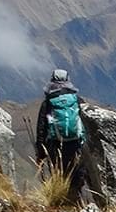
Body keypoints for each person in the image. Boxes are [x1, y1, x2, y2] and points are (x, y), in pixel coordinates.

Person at [35, 68, 86, 204]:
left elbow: (42, 129)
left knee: (58, 173)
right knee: (75, 175)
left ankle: (61, 202)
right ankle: (77, 203)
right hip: (76, 144)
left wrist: (40, 154)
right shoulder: (77, 100)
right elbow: (85, 123)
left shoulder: (48, 102)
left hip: (55, 145)